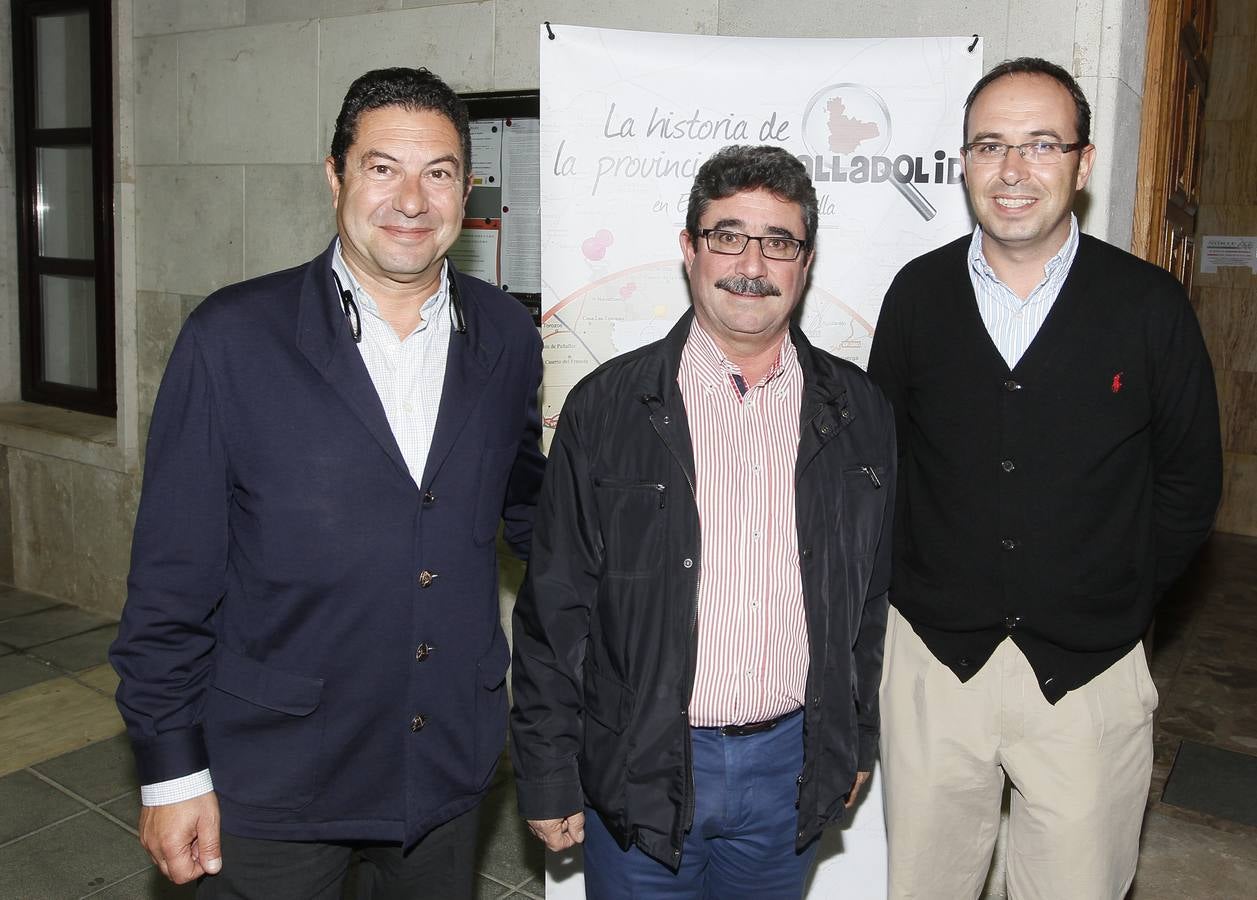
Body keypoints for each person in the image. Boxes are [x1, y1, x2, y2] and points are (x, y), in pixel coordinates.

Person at [110, 67, 545, 899]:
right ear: (335, 173)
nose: (412, 200)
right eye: (383, 168)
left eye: (440, 172)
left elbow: (523, 501)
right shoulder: (232, 337)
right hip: (276, 772)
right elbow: (170, 579)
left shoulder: (503, 334)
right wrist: (170, 773)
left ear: (466, 186)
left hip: (444, 764)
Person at [868, 57, 1222, 900]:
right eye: (990, 145)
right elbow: (883, 464)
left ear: (1083, 162)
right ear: (962, 162)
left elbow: (1187, 482)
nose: (1013, 170)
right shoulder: (916, 295)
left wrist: (1118, 590)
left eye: (1040, 144)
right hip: (932, 667)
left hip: (1089, 675)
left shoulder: (1148, 305)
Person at [510, 144, 896, 898]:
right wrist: (549, 771)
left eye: (777, 241)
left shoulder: (858, 411)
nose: (751, 263)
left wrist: (853, 737)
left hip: (790, 769)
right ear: (689, 249)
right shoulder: (606, 408)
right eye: (727, 235)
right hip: (643, 760)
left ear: (804, 262)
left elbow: (867, 602)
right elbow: (555, 608)